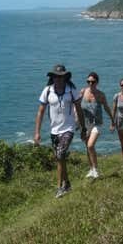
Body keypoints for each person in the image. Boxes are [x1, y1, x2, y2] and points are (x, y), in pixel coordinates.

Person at [34, 64, 87, 198]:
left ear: (65, 77)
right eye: (56, 77)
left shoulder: (71, 90)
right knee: (60, 158)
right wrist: (37, 132)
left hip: (68, 128)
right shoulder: (47, 91)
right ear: (52, 78)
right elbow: (40, 112)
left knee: (60, 154)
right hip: (54, 130)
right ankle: (67, 183)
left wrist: (82, 128)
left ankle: (59, 188)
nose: (58, 79)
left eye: (61, 77)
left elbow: (79, 110)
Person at [79, 71, 115, 178]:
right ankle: (91, 169)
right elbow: (77, 107)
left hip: (97, 123)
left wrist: (112, 120)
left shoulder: (100, 95)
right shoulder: (83, 91)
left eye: (92, 82)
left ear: (97, 82)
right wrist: (76, 120)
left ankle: (95, 169)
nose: (90, 83)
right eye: (88, 81)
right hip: (85, 124)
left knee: (90, 145)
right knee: (87, 147)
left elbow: (107, 108)